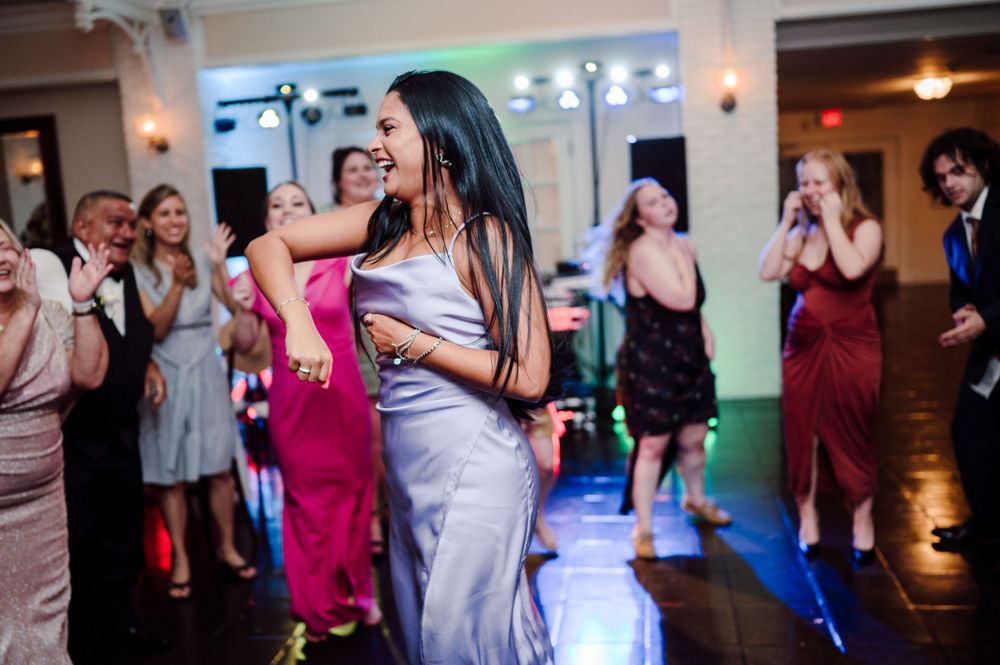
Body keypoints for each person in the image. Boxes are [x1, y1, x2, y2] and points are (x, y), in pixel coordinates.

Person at [245, 70, 555, 664]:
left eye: (389, 129)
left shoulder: (485, 235)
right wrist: (298, 318)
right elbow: (266, 246)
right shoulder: (382, 221)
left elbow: (530, 375)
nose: (374, 145)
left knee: (463, 640)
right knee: (422, 636)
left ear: (438, 141)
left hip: (476, 465)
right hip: (408, 467)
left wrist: (413, 342)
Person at [230, 180, 379, 642]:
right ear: (266, 219)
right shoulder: (256, 272)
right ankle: (315, 606)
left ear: (315, 214)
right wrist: (241, 311)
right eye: (277, 205)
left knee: (354, 496)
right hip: (293, 404)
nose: (288, 210)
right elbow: (245, 347)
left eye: (298, 202)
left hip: (343, 396)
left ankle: (358, 594)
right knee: (305, 503)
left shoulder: (343, 261)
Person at [50, 190, 170, 661]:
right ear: (81, 227)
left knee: (123, 537)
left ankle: (120, 628)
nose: (127, 233)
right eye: (115, 222)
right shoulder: (54, 269)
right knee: (79, 542)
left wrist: (147, 363)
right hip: (76, 437)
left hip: (123, 431)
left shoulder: (127, 271)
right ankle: (79, 642)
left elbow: (128, 335)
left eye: (131, 224)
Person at [758, 150, 883, 564]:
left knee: (852, 428)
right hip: (802, 346)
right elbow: (767, 271)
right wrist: (786, 222)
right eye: (804, 182)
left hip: (852, 343)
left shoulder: (865, 227)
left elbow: (851, 270)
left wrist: (831, 221)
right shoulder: (800, 234)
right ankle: (807, 515)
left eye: (819, 182)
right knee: (802, 433)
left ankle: (862, 517)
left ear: (840, 185)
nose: (810, 190)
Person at [131, 184, 255, 600]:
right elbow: (156, 328)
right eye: (165, 213)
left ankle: (227, 548)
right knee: (172, 475)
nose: (175, 220)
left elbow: (234, 307)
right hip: (166, 368)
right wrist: (177, 285)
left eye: (180, 212)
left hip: (205, 366)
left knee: (218, 465)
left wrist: (218, 267)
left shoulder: (202, 258)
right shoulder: (139, 269)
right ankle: (181, 558)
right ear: (148, 222)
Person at [603, 178, 731, 561]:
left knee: (694, 438)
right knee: (653, 444)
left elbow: (693, 309)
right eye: (653, 202)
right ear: (640, 219)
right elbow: (683, 297)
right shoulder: (643, 250)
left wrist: (705, 330)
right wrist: (683, 257)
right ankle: (643, 528)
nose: (665, 203)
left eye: (665, 195)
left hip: (688, 357)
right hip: (652, 362)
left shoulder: (683, 243)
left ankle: (696, 499)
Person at [0, 219, 108, 663]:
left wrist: (82, 303)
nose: (0, 259)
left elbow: (88, 374)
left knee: (47, 613)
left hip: (45, 499)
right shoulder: (31, 309)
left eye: (4, 247)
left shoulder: (50, 313)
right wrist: (24, 310)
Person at [918, 128, 1000, 551]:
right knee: (968, 430)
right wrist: (965, 310)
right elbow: (961, 290)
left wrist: (987, 319)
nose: (950, 182)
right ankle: (986, 525)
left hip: (993, 333)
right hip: (991, 353)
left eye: (958, 171)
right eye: (941, 177)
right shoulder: (954, 233)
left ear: (982, 165)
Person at [330, 146, 387, 555]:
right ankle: (369, 516)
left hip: (393, 334)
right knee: (366, 440)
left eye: (368, 167)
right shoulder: (329, 224)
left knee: (388, 439)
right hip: (349, 340)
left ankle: (388, 508)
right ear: (338, 181)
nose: (364, 174)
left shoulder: (391, 215)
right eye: (353, 170)